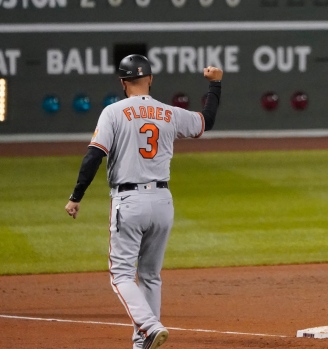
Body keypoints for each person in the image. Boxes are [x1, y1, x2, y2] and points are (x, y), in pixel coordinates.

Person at [64, 54, 223, 349]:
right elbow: (207, 121)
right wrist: (215, 84)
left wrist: (76, 197)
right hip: (163, 202)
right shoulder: (169, 113)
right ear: (150, 79)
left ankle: (148, 326)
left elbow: (93, 156)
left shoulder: (113, 112)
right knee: (150, 275)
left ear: (123, 83)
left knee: (121, 275)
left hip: (129, 201)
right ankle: (143, 342)